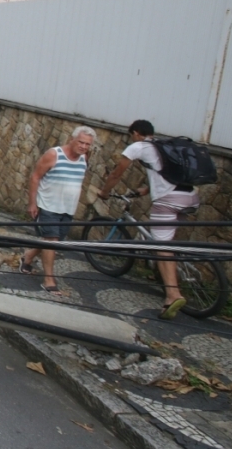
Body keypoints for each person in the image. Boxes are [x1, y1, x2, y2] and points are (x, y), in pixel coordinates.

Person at [98, 119, 200, 320]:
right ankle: (172, 272)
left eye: (131, 135)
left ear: (135, 133)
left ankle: (173, 295)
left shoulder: (139, 146)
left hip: (168, 201)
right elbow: (165, 177)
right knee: (168, 242)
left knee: (160, 247)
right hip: (190, 197)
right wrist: (143, 190)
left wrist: (105, 192)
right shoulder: (164, 146)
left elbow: (117, 174)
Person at [20, 126, 96, 294]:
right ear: (72, 139)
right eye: (81, 142)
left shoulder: (84, 158)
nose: (83, 147)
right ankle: (49, 280)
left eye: (87, 144)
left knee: (53, 242)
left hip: (68, 209)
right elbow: (35, 177)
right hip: (48, 205)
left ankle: (29, 256)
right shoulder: (54, 154)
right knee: (51, 240)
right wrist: (32, 203)